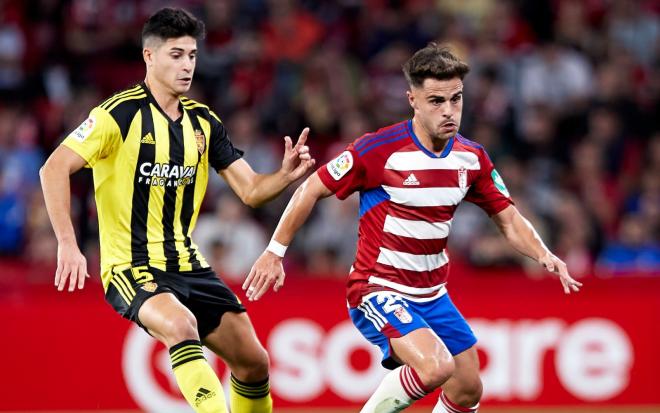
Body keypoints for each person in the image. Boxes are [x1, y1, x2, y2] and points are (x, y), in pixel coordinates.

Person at [244, 43, 583, 413]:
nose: (449, 111)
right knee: (436, 366)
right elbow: (311, 188)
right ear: (413, 100)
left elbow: (508, 217)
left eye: (456, 99)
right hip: (378, 287)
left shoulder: (472, 158)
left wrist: (544, 254)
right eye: (436, 101)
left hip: (433, 293)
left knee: (468, 388)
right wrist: (275, 251)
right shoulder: (377, 150)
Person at [39, 8, 315, 413]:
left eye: (192, 55)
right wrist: (68, 242)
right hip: (130, 266)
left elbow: (253, 191)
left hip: (189, 265)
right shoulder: (118, 114)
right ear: (149, 57)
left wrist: (284, 175)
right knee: (181, 325)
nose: (187, 65)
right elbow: (54, 167)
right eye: (176, 55)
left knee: (255, 362)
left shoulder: (204, 122)